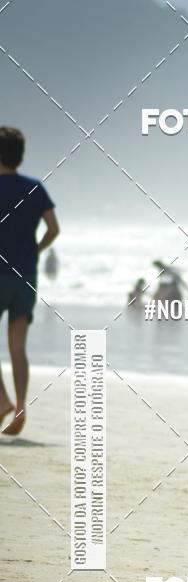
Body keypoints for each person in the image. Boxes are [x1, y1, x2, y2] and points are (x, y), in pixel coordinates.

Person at [0, 127, 59, 435]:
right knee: (17, 346)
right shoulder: (34, 188)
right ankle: (20, 406)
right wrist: (35, 250)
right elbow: (53, 229)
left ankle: (2, 401)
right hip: (26, 275)